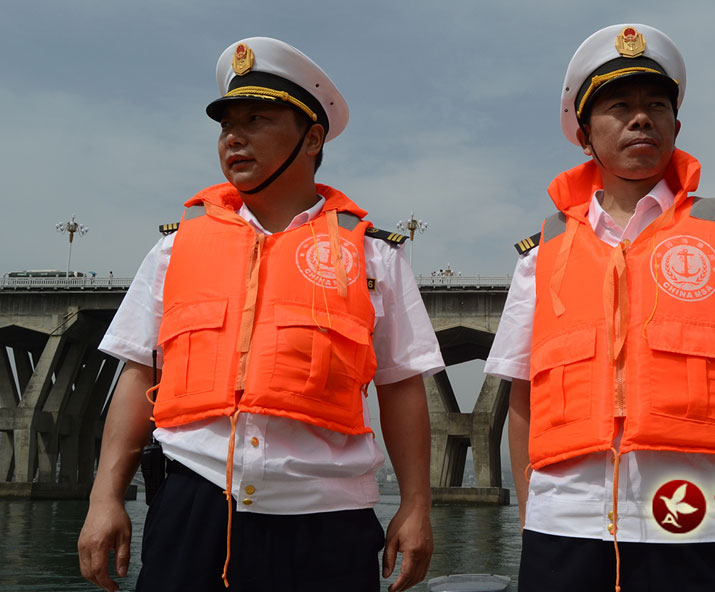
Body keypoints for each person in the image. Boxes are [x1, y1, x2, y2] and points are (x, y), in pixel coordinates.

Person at [78, 37, 442, 592]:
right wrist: (105, 496)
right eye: (226, 125)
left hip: (327, 521)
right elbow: (138, 374)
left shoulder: (375, 258)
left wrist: (416, 506)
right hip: (193, 507)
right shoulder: (174, 251)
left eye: (256, 120)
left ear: (312, 139)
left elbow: (401, 387)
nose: (233, 137)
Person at [484, 24, 715, 592]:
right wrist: (531, 519)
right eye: (620, 107)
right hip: (562, 530)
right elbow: (521, 398)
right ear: (585, 137)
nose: (641, 119)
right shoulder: (542, 254)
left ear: (675, 127)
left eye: (657, 107)